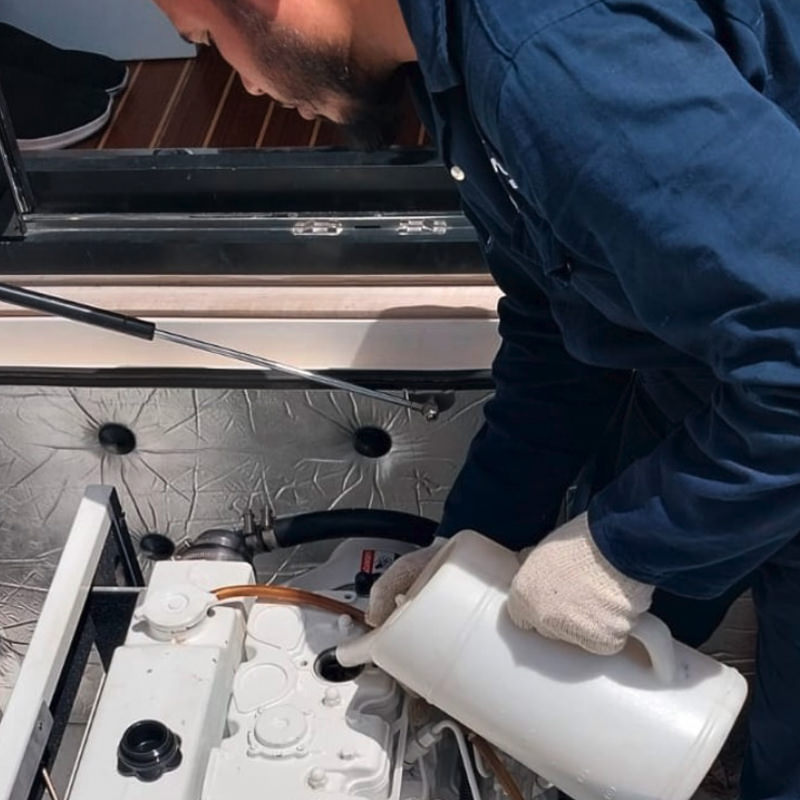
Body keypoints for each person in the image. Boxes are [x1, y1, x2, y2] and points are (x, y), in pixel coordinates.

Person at [153, 1, 800, 796]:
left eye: (209, 40)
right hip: (721, 398)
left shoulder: (557, 61)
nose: (242, 86)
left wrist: (625, 549)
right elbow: (555, 331)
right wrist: (468, 547)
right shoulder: (451, 71)